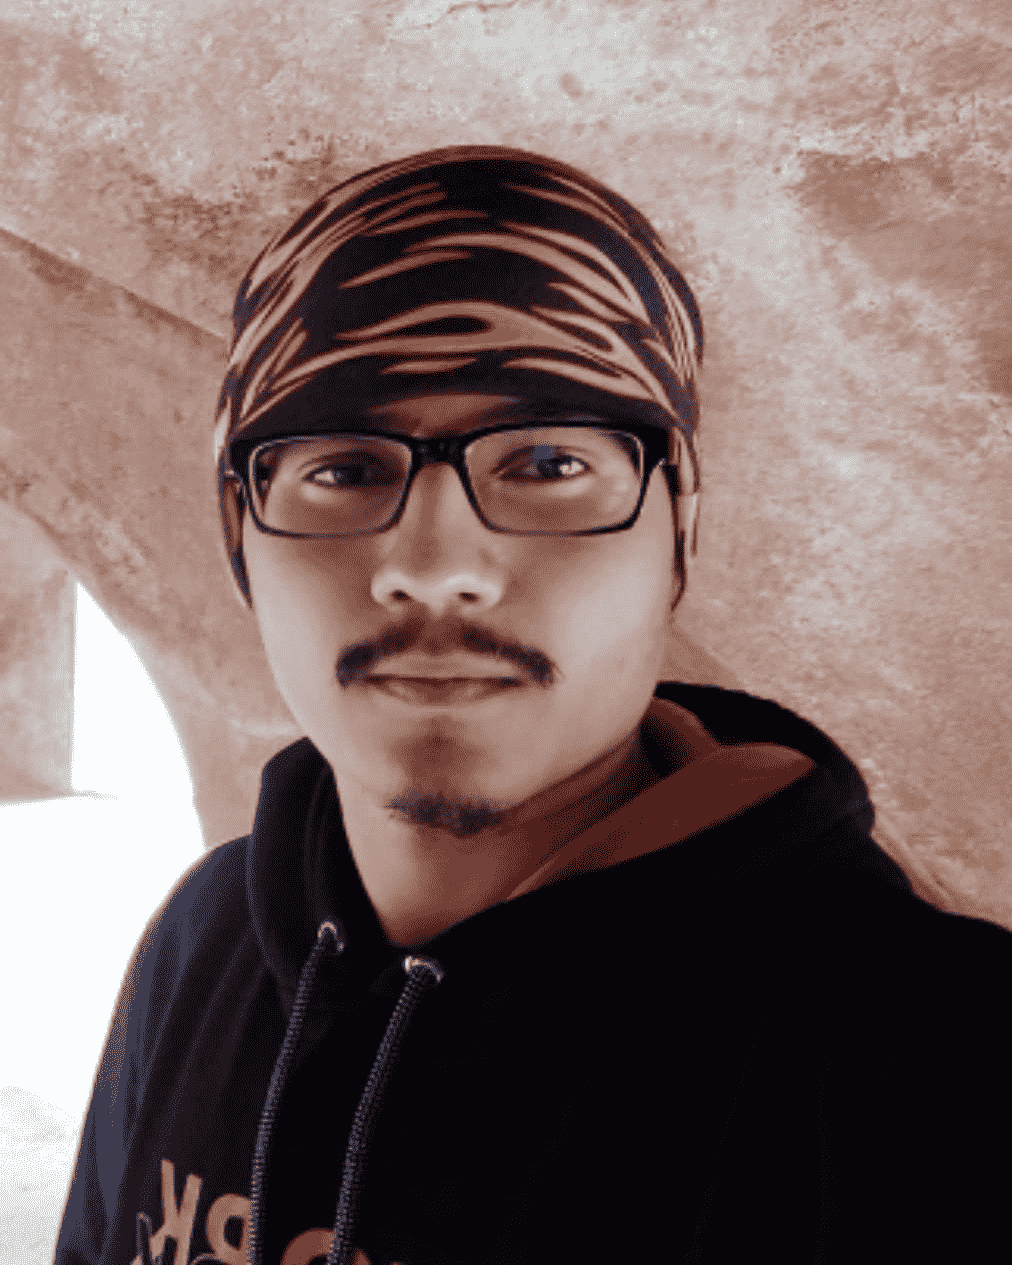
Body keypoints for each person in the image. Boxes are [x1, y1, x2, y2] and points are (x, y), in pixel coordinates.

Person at [54, 146, 1010, 1265]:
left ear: (678, 528)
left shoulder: (942, 1059)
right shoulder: (201, 939)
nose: (434, 566)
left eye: (549, 463)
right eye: (345, 468)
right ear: (240, 532)